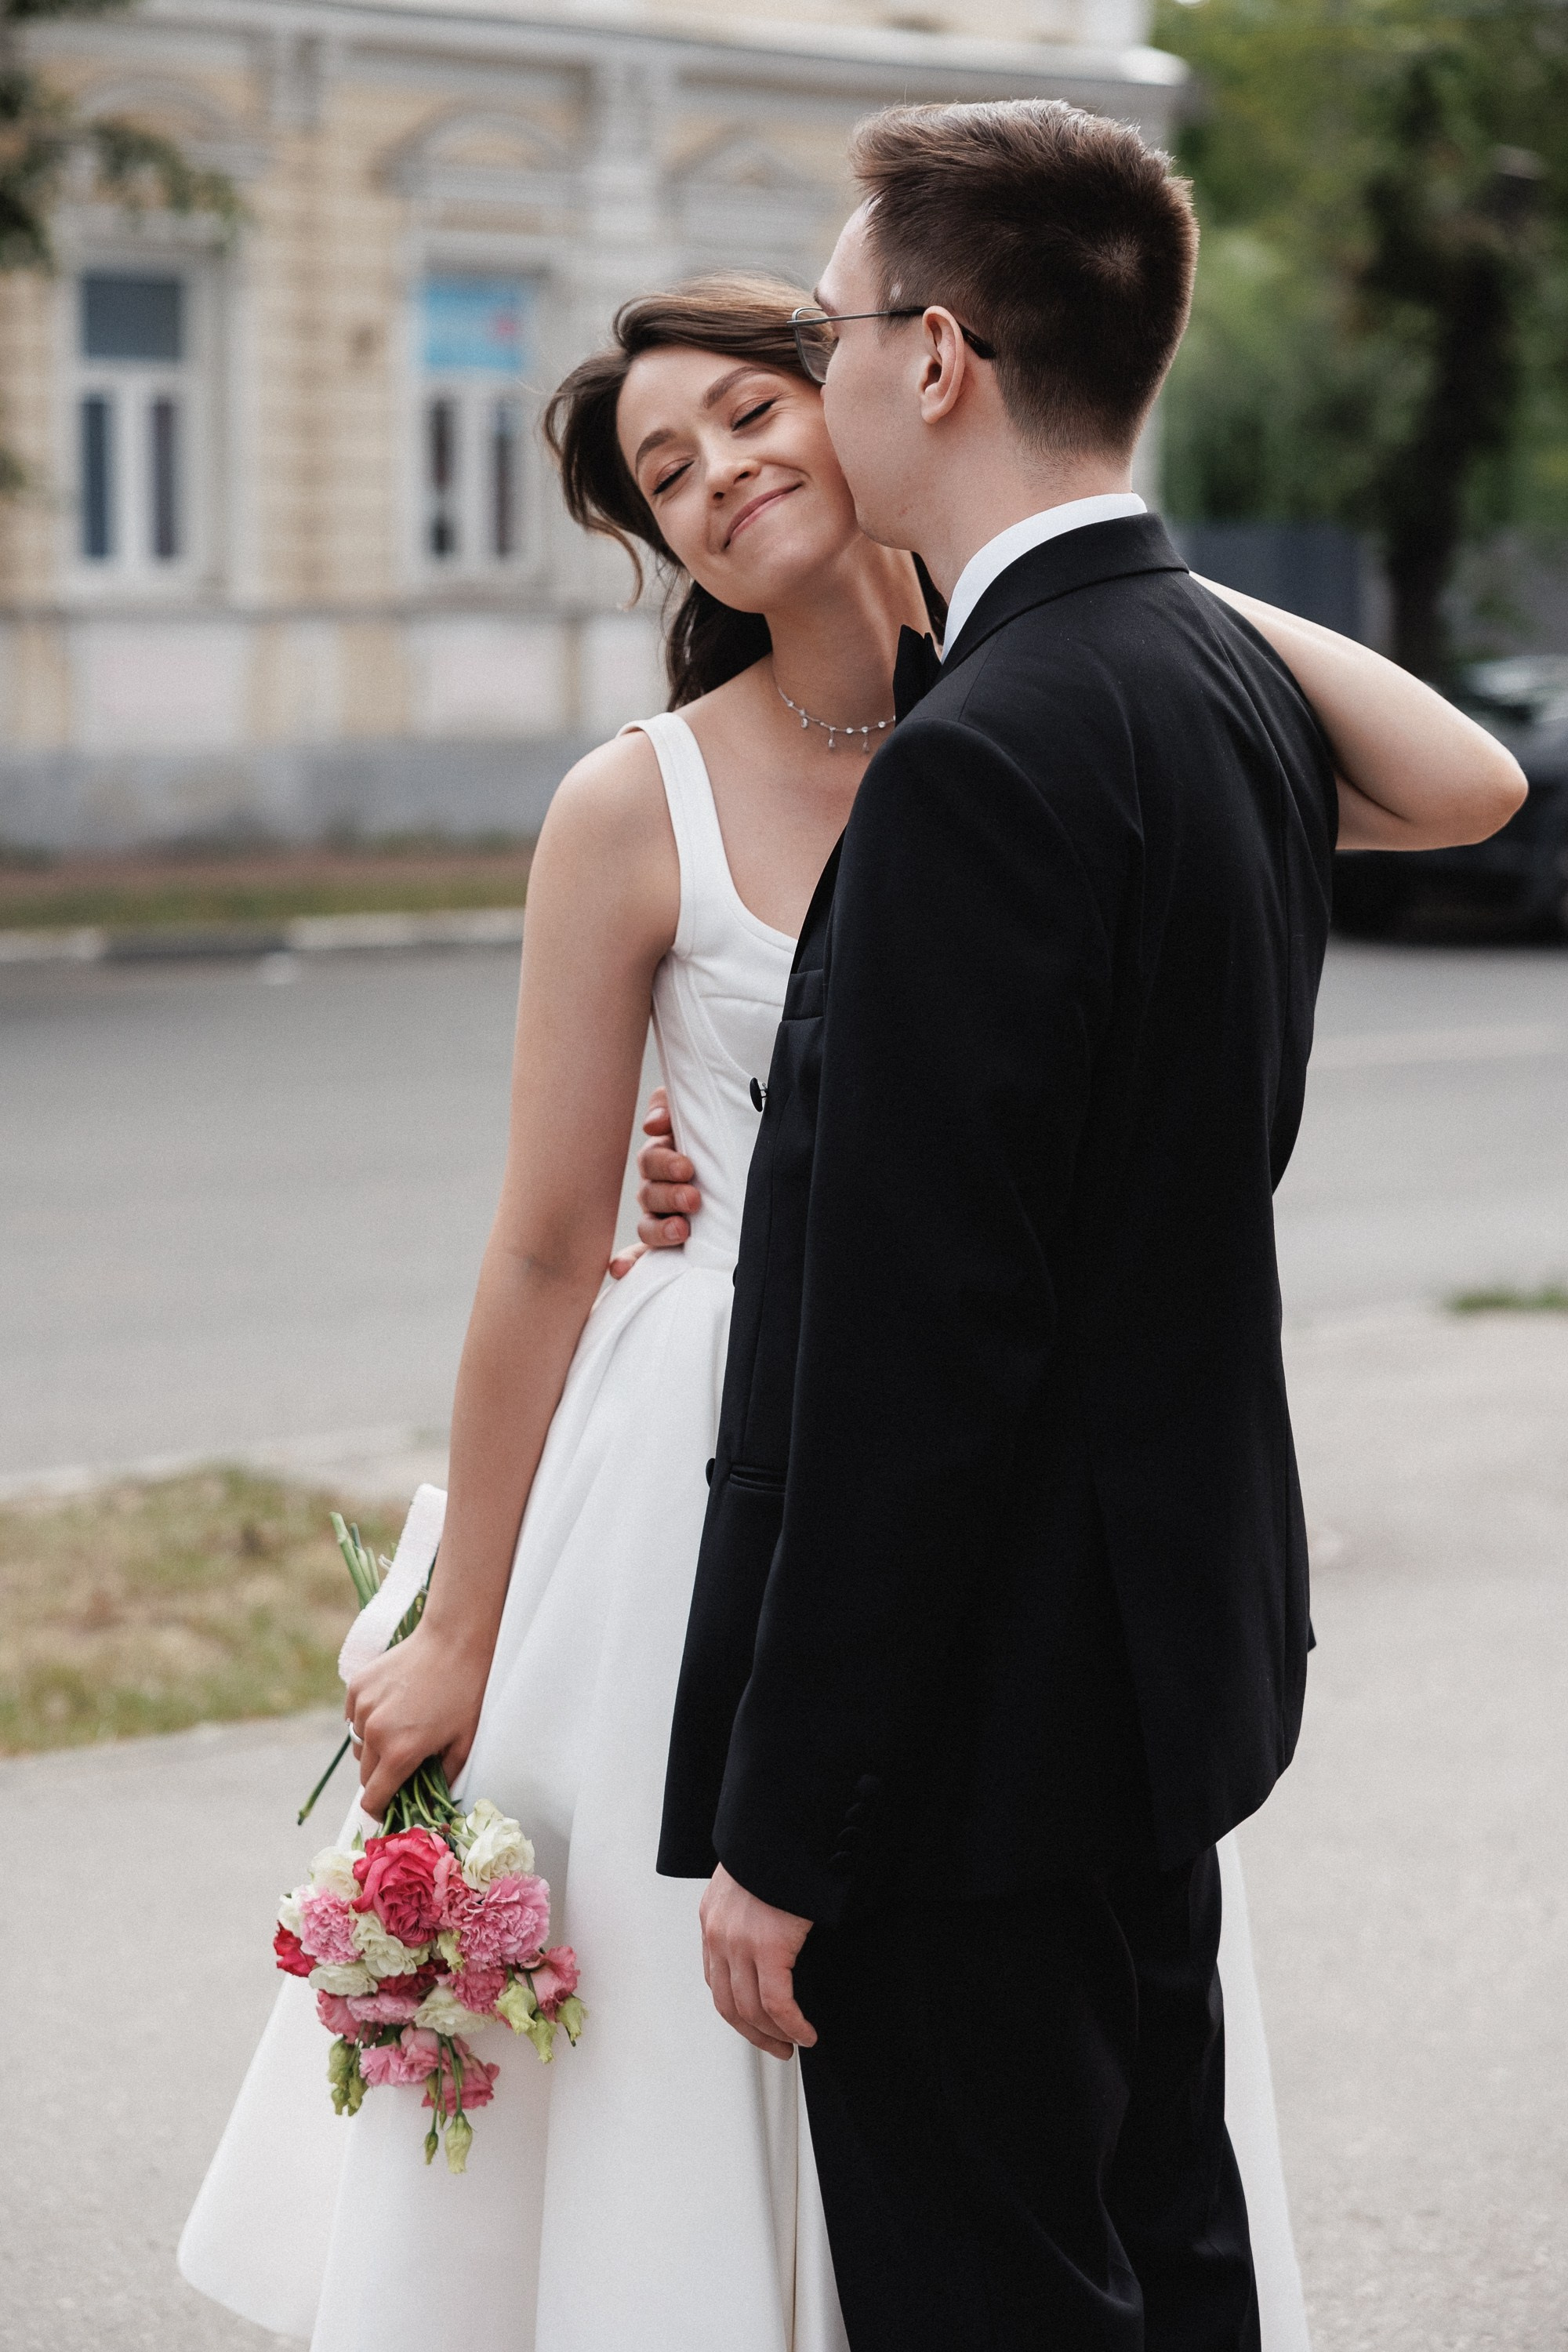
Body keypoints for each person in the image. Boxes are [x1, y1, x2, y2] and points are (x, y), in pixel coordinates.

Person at [176, 248, 1522, 2350]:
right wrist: (460, 1632)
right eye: (664, 470)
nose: (717, 471)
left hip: (1031, 1502)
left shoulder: (1073, 706)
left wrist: (1095, 560)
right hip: (715, 1474)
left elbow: (1458, 786)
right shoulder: (637, 805)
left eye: (753, 408)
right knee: (711, 2053)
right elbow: (542, 1247)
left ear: (889, 394)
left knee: (1036, 2088)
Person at [653, 102, 1526, 2352]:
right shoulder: (1216, 685)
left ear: (935, 359)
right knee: (1171, 2256)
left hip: (970, 1748)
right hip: (1153, 1680)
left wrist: (791, 1823)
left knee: (1003, 2298)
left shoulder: (984, 755)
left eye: (836, 328)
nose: (819, 372)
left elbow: (918, 1352)